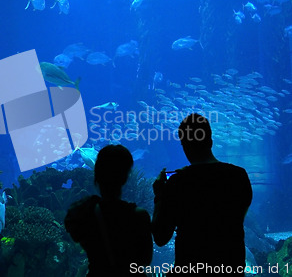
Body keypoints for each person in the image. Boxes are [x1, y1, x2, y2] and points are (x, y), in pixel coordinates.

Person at [152, 113, 252, 275]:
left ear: (184, 145)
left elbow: (160, 237)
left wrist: (160, 195)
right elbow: (237, 218)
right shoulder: (239, 176)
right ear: (210, 141)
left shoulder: (178, 182)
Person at [65, 144, 153, 276]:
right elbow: (145, 260)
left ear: (97, 174)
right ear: (127, 177)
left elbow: (74, 231)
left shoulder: (83, 213)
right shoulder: (140, 216)